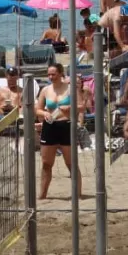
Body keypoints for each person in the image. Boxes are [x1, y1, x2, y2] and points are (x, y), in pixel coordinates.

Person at [36, 63, 82, 200]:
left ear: (61, 74)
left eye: (53, 74)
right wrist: (44, 113)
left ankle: (77, 194)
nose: (51, 77)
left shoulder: (70, 89)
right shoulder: (45, 90)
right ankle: (43, 194)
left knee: (71, 163)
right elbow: (37, 109)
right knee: (46, 163)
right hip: (50, 126)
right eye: (49, 74)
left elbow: (81, 106)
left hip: (66, 125)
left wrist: (70, 106)